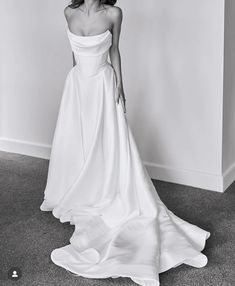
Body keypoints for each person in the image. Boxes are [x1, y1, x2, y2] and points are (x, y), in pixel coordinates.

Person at [40, 1, 210, 285]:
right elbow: (75, 51)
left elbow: (115, 49)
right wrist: (77, 88)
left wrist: (120, 87)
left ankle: (107, 189)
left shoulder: (113, 13)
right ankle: (81, 187)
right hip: (78, 85)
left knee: (109, 141)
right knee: (78, 139)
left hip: (104, 84)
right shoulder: (68, 12)